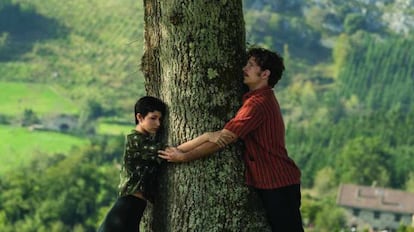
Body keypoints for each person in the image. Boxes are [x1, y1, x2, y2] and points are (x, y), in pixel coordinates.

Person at [158, 47, 304, 231]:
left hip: (278, 182)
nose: (245, 68)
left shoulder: (257, 104)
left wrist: (184, 157)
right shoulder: (258, 98)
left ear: (265, 74)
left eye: (251, 66)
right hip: (275, 181)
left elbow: (224, 138)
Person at [98, 96, 167, 232]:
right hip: (124, 213)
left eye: (160, 119)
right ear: (140, 117)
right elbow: (175, 151)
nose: (158, 124)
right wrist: (207, 137)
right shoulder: (136, 141)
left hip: (132, 214)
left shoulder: (146, 143)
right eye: (153, 118)